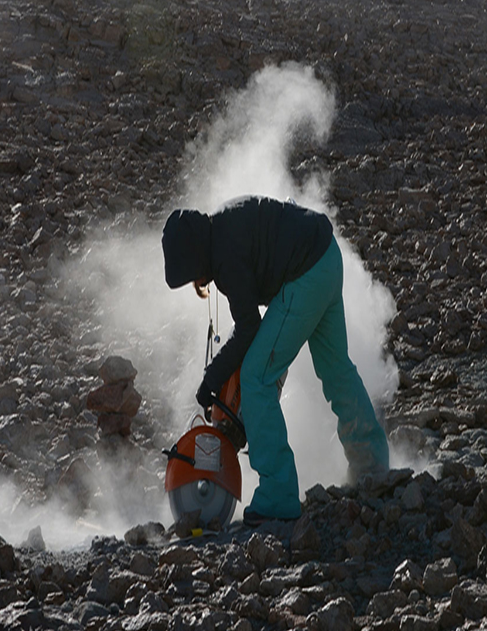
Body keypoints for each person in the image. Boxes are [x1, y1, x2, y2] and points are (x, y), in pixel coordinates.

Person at [162, 196, 389, 524]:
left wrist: (211, 380)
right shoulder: (224, 226)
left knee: (256, 378)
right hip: (326, 255)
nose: (196, 281)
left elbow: (249, 329)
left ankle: (278, 496)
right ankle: (374, 468)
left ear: (194, 256)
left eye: (190, 273)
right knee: (336, 368)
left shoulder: (225, 255)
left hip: (306, 274)